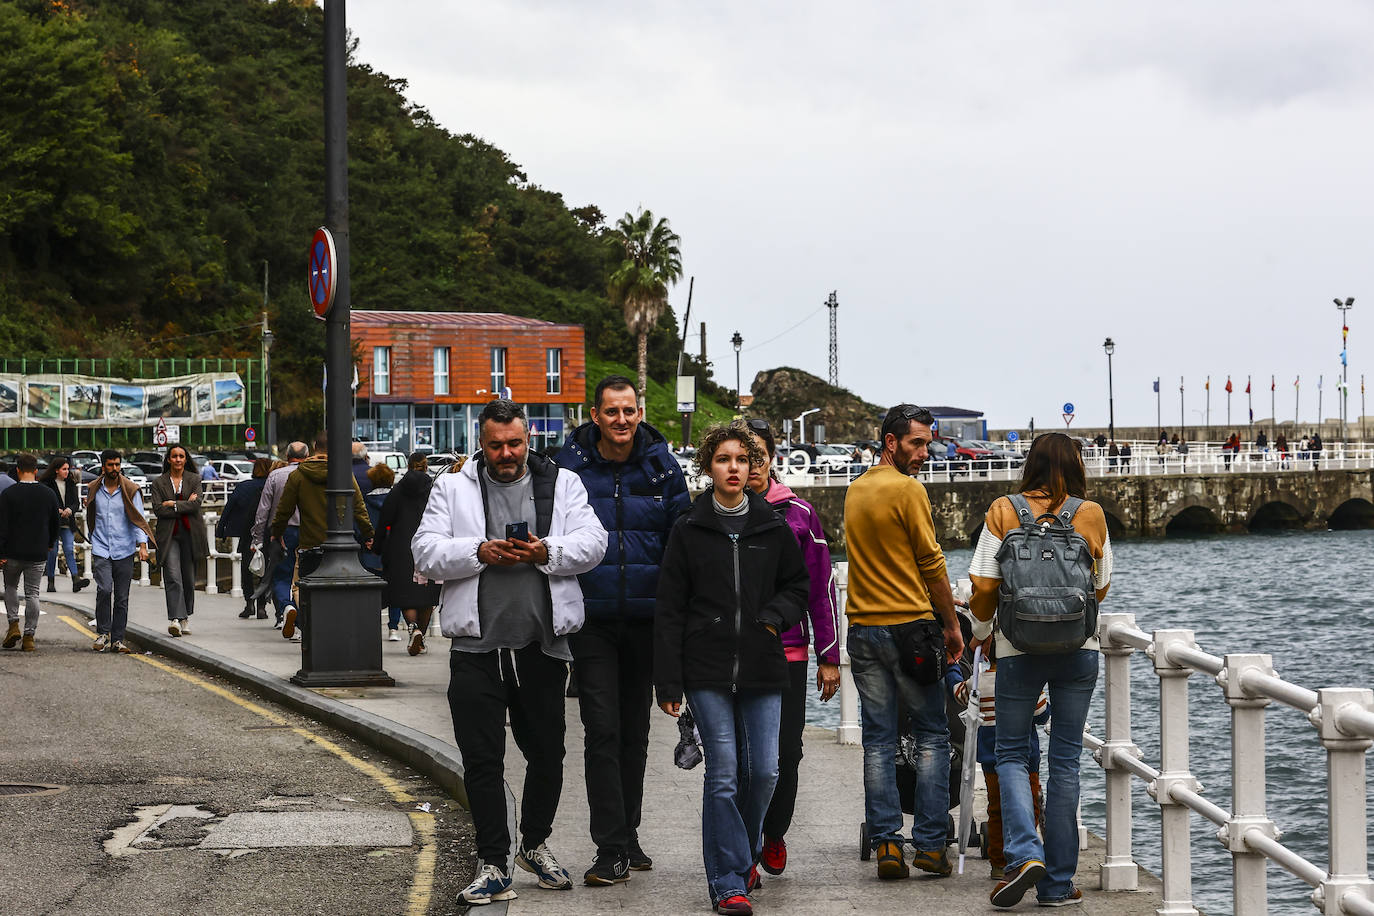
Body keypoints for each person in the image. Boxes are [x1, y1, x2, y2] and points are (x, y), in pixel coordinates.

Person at [411, 399, 607, 907]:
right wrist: (477, 550)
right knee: (482, 761)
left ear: (528, 439)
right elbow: (424, 550)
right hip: (475, 648)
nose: (505, 453)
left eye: (514, 443)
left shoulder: (562, 484)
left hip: (543, 646)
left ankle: (535, 845)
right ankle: (493, 862)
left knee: (548, 755)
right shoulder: (452, 486)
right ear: (482, 440)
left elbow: (595, 542)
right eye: (496, 444)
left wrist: (548, 552)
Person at [654, 422, 808, 916]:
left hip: (763, 663)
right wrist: (668, 679)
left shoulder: (772, 526)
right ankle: (727, 880)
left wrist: (772, 618)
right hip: (706, 667)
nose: (735, 468)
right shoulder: (688, 529)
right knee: (723, 773)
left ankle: (740, 856)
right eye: (724, 459)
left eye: (743, 460)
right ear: (709, 467)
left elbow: (798, 586)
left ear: (755, 467)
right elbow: (670, 607)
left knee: (764, 771)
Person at [552, 375, 691, 884]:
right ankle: (608, 846)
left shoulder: (661, 465)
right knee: (602, 732)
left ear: (639, 412)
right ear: (595, 415)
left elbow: (684, 536)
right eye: (612, 412)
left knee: (634, 735)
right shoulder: (569, 467)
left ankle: (628, 836)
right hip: (590, 619)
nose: (622, 421)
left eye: (629, 411)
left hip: (647, 621)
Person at [967, 432, 1112, 907]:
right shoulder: (1089, 514)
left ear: (1030, 464)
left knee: (1010, 754)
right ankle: (1056, 885)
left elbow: (984, 585)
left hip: (1016, 648)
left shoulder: (1003, 510)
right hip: (1078, 648)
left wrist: (984, 631)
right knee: (1065, 761)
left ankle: (1025, 853)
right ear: (1075, 465)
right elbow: (1102, 587)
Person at [843, 404, 964, 879]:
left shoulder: (855, 490)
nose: (923, 452)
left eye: (927, 443)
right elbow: (931, 563)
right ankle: (932, 846)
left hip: (863, 630)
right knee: (933, 735)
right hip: (910, 627)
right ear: (890, 442)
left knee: (878, 739)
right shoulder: (909, 490)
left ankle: (888, 844)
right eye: (916, 443)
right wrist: (952, 627)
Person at [742, 419, 841, 878]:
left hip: (788, 653)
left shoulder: (799, 514)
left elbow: (820, 589)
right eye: (742, 457)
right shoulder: (717, 513)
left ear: (772, 459)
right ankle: (742, 849)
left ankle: (773, 832)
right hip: (732, 655)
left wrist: (829, 656)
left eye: (758, 456)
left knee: (786, 750)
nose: (750, 466)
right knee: (740, 754)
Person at [270, 431, 373, 641]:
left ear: (314, 447)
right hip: (341, 546)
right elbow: (359, 507)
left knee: (301, 588)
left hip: (309, 544)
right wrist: (369, 533)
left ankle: (309, 629)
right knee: (340, 593)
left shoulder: (298, 475)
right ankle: (336, 634)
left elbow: (283, 511)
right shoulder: (343, 474)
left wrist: (277, 533)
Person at [85, 450, 152, 653]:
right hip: (101, 547)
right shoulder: (94, 488)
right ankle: (103, 633)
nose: (114, 469)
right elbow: (90, 514)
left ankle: (118, 639)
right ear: (103, 466)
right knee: (104, 590)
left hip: (124, 549)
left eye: (117, 464)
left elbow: (139, 519)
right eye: (110, 465)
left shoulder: (130, 490)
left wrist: (142, 545)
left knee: (122, 597)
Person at [376, 452, 441, 656]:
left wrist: (377, 545)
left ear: (409, 465)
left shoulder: (398, 490)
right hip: (429, 543)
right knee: (427, 594)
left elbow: (385, 519)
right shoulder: (433, 489)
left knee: (405, 594)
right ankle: (420, 632)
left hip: (401, 545)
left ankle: (413, 628)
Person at [1, 454, 61, 652]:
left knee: (10, 586)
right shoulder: (48, 494)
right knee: (32, 593)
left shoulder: (9, 494)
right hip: (38, 551)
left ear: (17, 470)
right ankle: (29, 636)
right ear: (36, 470)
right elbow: (55, 523)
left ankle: (13, 624)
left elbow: (2, 526)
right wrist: (50, 543)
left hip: (12, 551)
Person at [150, 444, 209, 637]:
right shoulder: (159, 482)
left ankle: (185, 617)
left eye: (181, 456)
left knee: (188, 579)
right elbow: (158, 509)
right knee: (173, 577)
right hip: (169, 536)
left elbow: (197, 504)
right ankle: (175, 619)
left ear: (185, 459)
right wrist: (185, 503)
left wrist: (173, 504)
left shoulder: (194, 479)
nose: (177, 459)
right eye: (174, 456)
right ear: (168, 459)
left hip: (190, 535)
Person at [252, 441, 309, 628]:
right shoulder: (312, 474)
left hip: (282, 532)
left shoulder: (275, 476)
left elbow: (263, 510)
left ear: (287, 457)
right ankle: (304, 621)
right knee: (306, 576)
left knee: (282, 575)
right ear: (307, 456)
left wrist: (258, 539)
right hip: (310, 531)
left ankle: (287, 606)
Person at [216, 457, 272, 619]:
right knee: (265, 570)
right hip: (268, 535)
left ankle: (249, 604)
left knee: (247, 569)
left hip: (247, 535)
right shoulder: (270, 486)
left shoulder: (243, 487)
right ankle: (262, 606)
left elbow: (228, 509)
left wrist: (221, 531)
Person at [41, 456, 90, 593]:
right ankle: (51, 581)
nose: (67, 472)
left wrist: (70, 509)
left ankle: (75, 579)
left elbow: (76, 503)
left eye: (68, 469)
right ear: (56, 470)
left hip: (68, 523)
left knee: (69, 549)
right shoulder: (47, 484)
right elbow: (44, 502)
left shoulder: (71, 484)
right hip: (53, 523)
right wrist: (55, 509)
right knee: (53, 552)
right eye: (64, 469)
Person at [360, 462, 396, 638]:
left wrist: (367, 540)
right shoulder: (396, 500)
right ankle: (394, 628)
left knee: (372, 593)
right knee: (395, 589)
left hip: (371, 551)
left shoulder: (365, 501)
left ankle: (373, 626)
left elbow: (359, 524)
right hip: (392, 550)